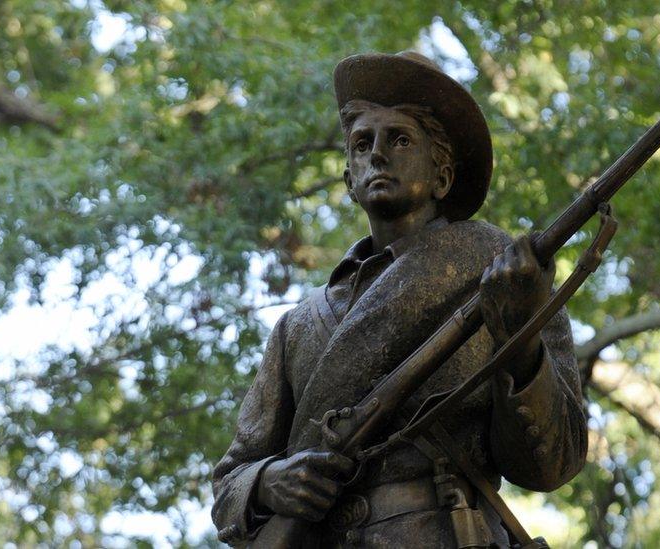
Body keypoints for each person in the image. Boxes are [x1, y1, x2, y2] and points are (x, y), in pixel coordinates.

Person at [212, 51, 588, 548]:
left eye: (400, 139)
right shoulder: (297, 327)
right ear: (349, 179)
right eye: (362, 143)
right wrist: (268, 482)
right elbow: (230, 483)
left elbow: (552, 463)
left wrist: (520, 346)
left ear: (442, 176)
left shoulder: (505, 275)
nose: (378, 154)